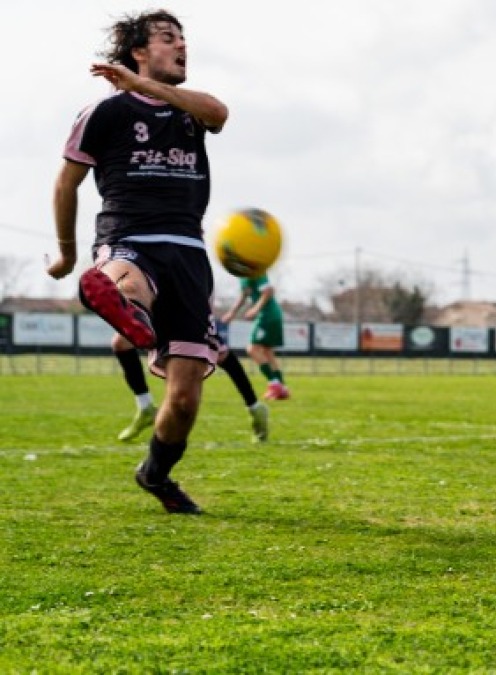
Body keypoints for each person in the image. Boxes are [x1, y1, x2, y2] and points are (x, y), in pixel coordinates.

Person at [47, 9, 230, 514]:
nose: (182, 45)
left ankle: (155, 473)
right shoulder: (104, 113)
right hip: (130, 236)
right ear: (138, 53)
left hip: (189, 253)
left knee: (186, 400)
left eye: (184, 38)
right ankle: (123, 305)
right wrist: (65, 253)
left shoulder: (193, 109)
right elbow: (67, 183)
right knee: (126, 282)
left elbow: (219, 113)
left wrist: (151, 88)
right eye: (169, 38)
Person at [113, 333, 270, 443]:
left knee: (220, 355)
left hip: (187, 303)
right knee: (121, 343)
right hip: (157, 301)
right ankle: (145, 406)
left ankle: (255, 407)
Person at [221, 273, 290, 400]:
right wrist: (232, 313)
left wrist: (255, 309)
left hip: (267, 314)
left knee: (252, 349)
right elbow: (244, 295)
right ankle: (282, 388)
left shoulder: (256, 269)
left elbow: (268, 291)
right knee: (267, 351)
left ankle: (274, 384)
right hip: (270, 314)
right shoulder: (243, 275)